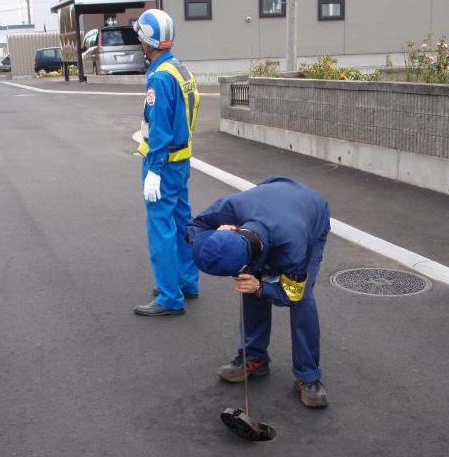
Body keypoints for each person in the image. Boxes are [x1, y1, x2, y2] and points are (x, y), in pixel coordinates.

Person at [187, 177, 331, 408]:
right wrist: (217, 233)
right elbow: (194, 227)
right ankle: (254, 358)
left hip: (310, 213)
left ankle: (308, 376)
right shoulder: (230, 208)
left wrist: (261, 286)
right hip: (270, 199)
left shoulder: (293, 247)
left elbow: (291, 293)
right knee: (250, 282)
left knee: (302, 300)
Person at [132, 9, 200, 317]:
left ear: (147, 41)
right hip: (182, 160)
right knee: (181, 222)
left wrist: (154, 173)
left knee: (161, 227)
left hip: (163, 163)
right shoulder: (180, 69)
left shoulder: (158, 79)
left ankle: (170, 297)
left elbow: (159, 129)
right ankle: (187, 282)